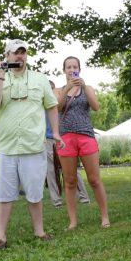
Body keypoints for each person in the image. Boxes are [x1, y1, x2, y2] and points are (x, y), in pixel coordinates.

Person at [0, 39, 61, 249]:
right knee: (4, 195)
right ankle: (1, 237)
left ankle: (39, 232)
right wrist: (1, 75)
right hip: (6, 148)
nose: (19, 55)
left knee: (35, 193)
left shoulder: (40, 79)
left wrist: (55, 132)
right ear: (7, 56)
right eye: (15, 52)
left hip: (33, 146)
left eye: (23, 52)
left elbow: (51, 106)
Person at [54, 56, 110, 230]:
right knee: (70, 180)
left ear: (79, 69)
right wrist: (67, 88)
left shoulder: (88, 88)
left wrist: (83, 86)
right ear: (64, 70)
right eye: (68, 67)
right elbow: (56, 108)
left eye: (75, 67)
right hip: (66, 138)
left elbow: (96, 107)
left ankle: (105, 216)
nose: (72, 70)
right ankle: (72, 221)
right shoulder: (58, 90)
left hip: (86, 136)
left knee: (94, 179)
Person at [45, 80, 90, 208]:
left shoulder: (60, 98)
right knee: (50, 171)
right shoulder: (40, 102)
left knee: (72, 169)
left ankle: (83, 197)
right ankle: (57, 201)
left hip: (63, 137)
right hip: (48, 139)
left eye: (51, 88)